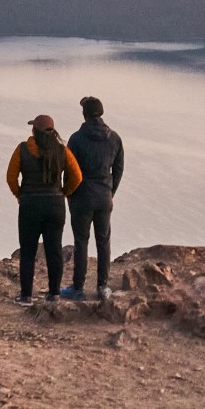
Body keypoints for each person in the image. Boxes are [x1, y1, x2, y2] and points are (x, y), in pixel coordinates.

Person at [5, 114, 82, 304]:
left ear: (34, 131)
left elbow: (11, 177)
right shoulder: (62, 151)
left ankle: (26, 296)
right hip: (55, 206)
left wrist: (20, 195)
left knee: (28, 251)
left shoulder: (23, 149)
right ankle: (54, 294)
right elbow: (77, 176)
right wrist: (64, 192)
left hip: (30, 205)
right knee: (54, 250)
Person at [63, 95, 124, 301]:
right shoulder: (114, 138)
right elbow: (118, 169)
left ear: (85, 114)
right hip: (104, 196)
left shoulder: (76, 139)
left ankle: (78, 288)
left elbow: (69, 170)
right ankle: (102, 287)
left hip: (82, 197)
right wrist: (110, 191)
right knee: (103, 241)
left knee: (81, 241)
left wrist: (69, 193)